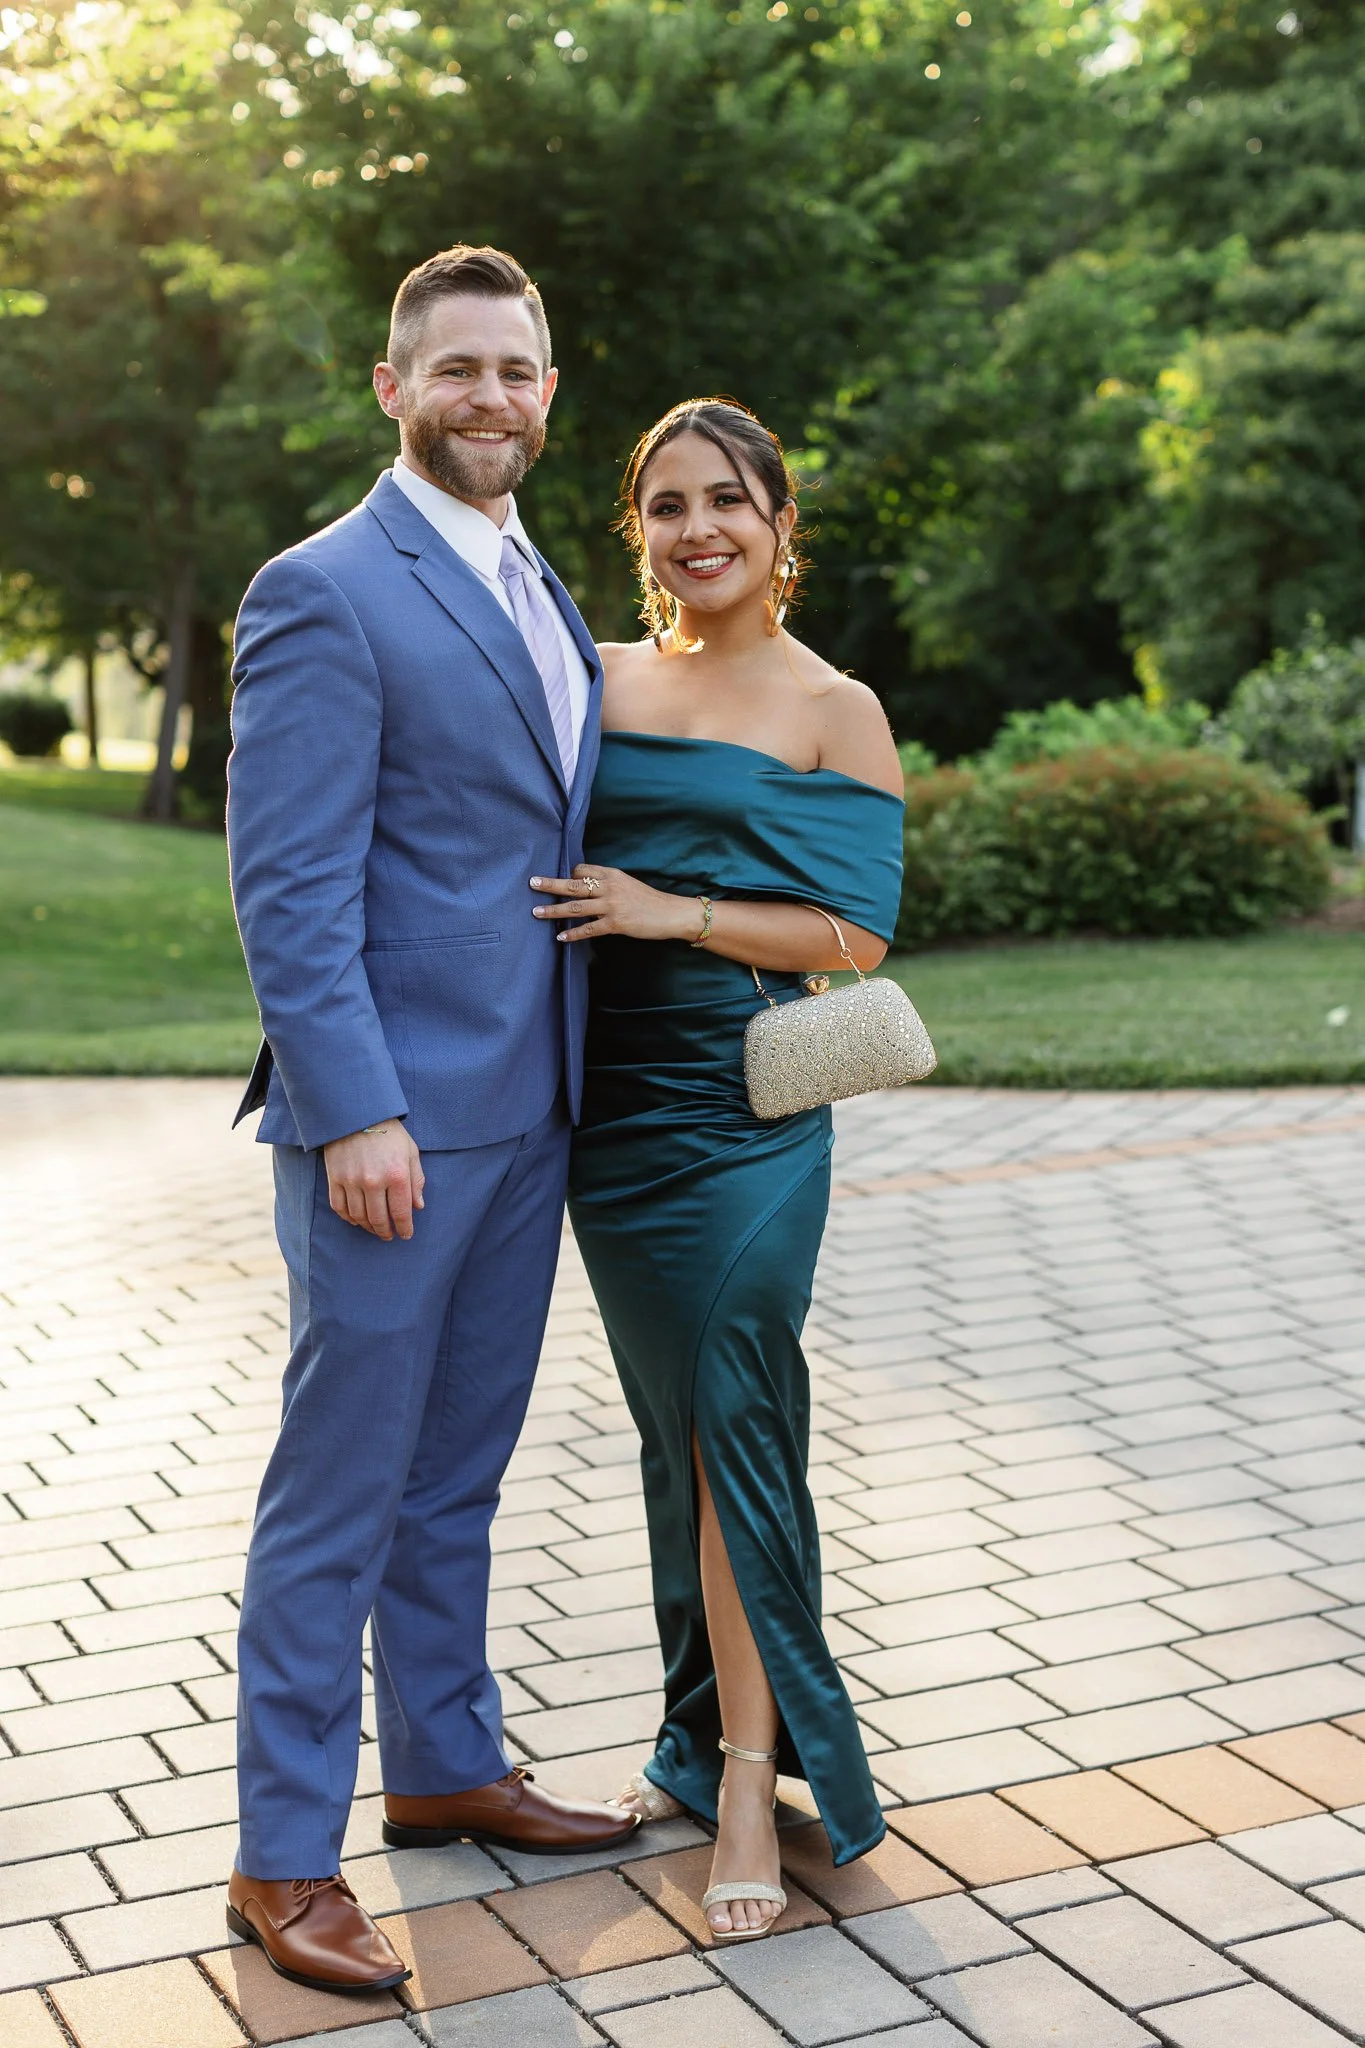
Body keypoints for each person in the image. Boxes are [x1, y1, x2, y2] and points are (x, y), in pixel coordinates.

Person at [224, 245, 638, 1998]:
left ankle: (449, 1764)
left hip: (529, 1103)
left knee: (456, 1478)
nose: (490, 398)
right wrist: (351, 1111)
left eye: (519, 371)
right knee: (341, 1490)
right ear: (394, 388)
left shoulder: (538, 583)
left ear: (551, 394)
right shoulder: (326, 587)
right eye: (456, 369)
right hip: (392, 1126)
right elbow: (288, 883)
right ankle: (281, 1856)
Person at [532, 399, 905, 1941]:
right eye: (670, 505)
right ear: (640, 530)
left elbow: (857, 940)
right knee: (676, 1435)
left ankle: (752, 1780)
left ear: (777, 523)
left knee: (736, 1428)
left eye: (730, 504)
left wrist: (670, 912)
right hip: (604, 1116)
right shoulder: (597, 676)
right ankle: (693, 1739)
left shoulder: (834, 705)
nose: (700, 530)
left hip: (745, 1117)